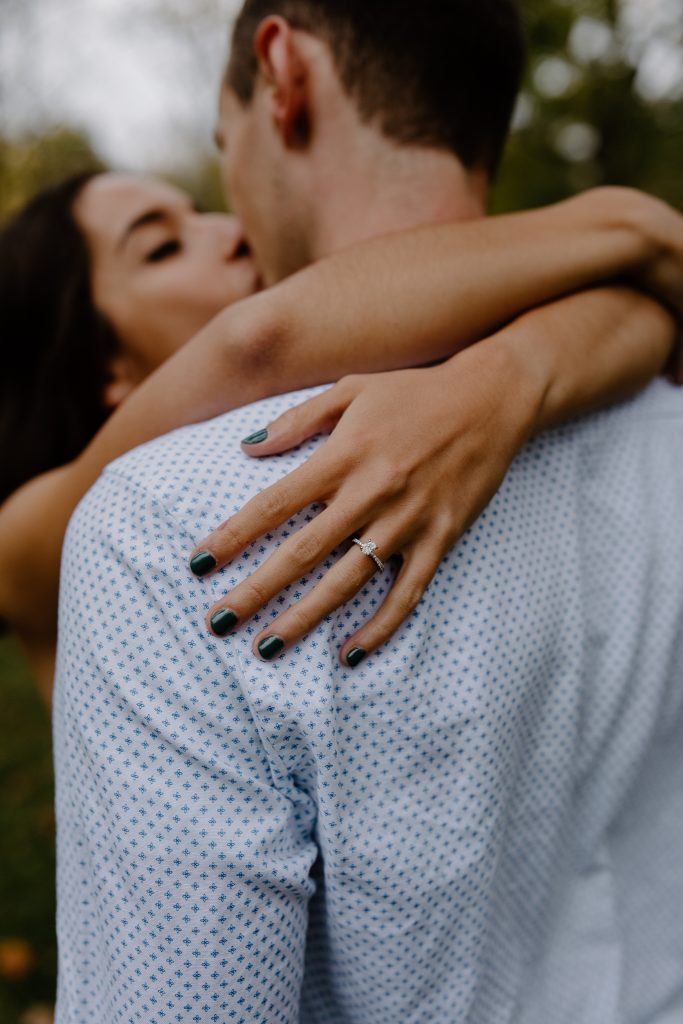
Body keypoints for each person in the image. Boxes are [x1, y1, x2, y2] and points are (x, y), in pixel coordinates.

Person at [53, 1, 683, 1021]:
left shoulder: (168, 527)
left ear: (280, 71)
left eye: (223, 148)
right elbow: (258, 342)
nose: (230, 220)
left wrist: (513, 373)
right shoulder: (661, 417)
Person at [2, 167, 682, 702]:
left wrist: (500, 378)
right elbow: (255, 344)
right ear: (104, 366)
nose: (230, 229)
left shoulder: (375, 399)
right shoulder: (26, 540)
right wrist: (636, 228)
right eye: (163, 246)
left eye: (197, 210)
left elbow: (642, 320)